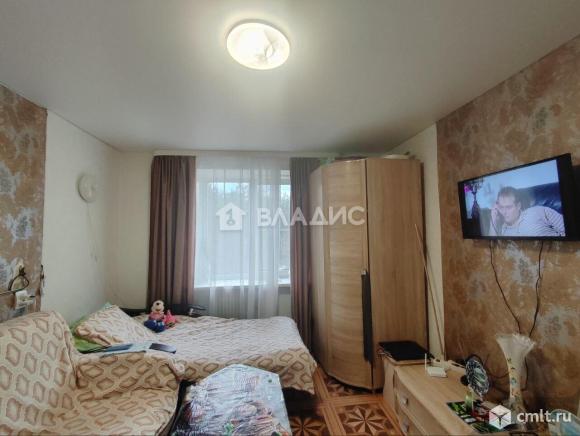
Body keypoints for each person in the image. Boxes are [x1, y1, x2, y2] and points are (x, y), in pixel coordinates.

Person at [489, 186, 565, 237]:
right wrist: (493, 220)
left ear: (518, 206)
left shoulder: (537, 212)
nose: (504, 212)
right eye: (501, 207)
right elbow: (492, 247)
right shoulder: (502, 229)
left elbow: (566, 229)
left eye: (508, 207)